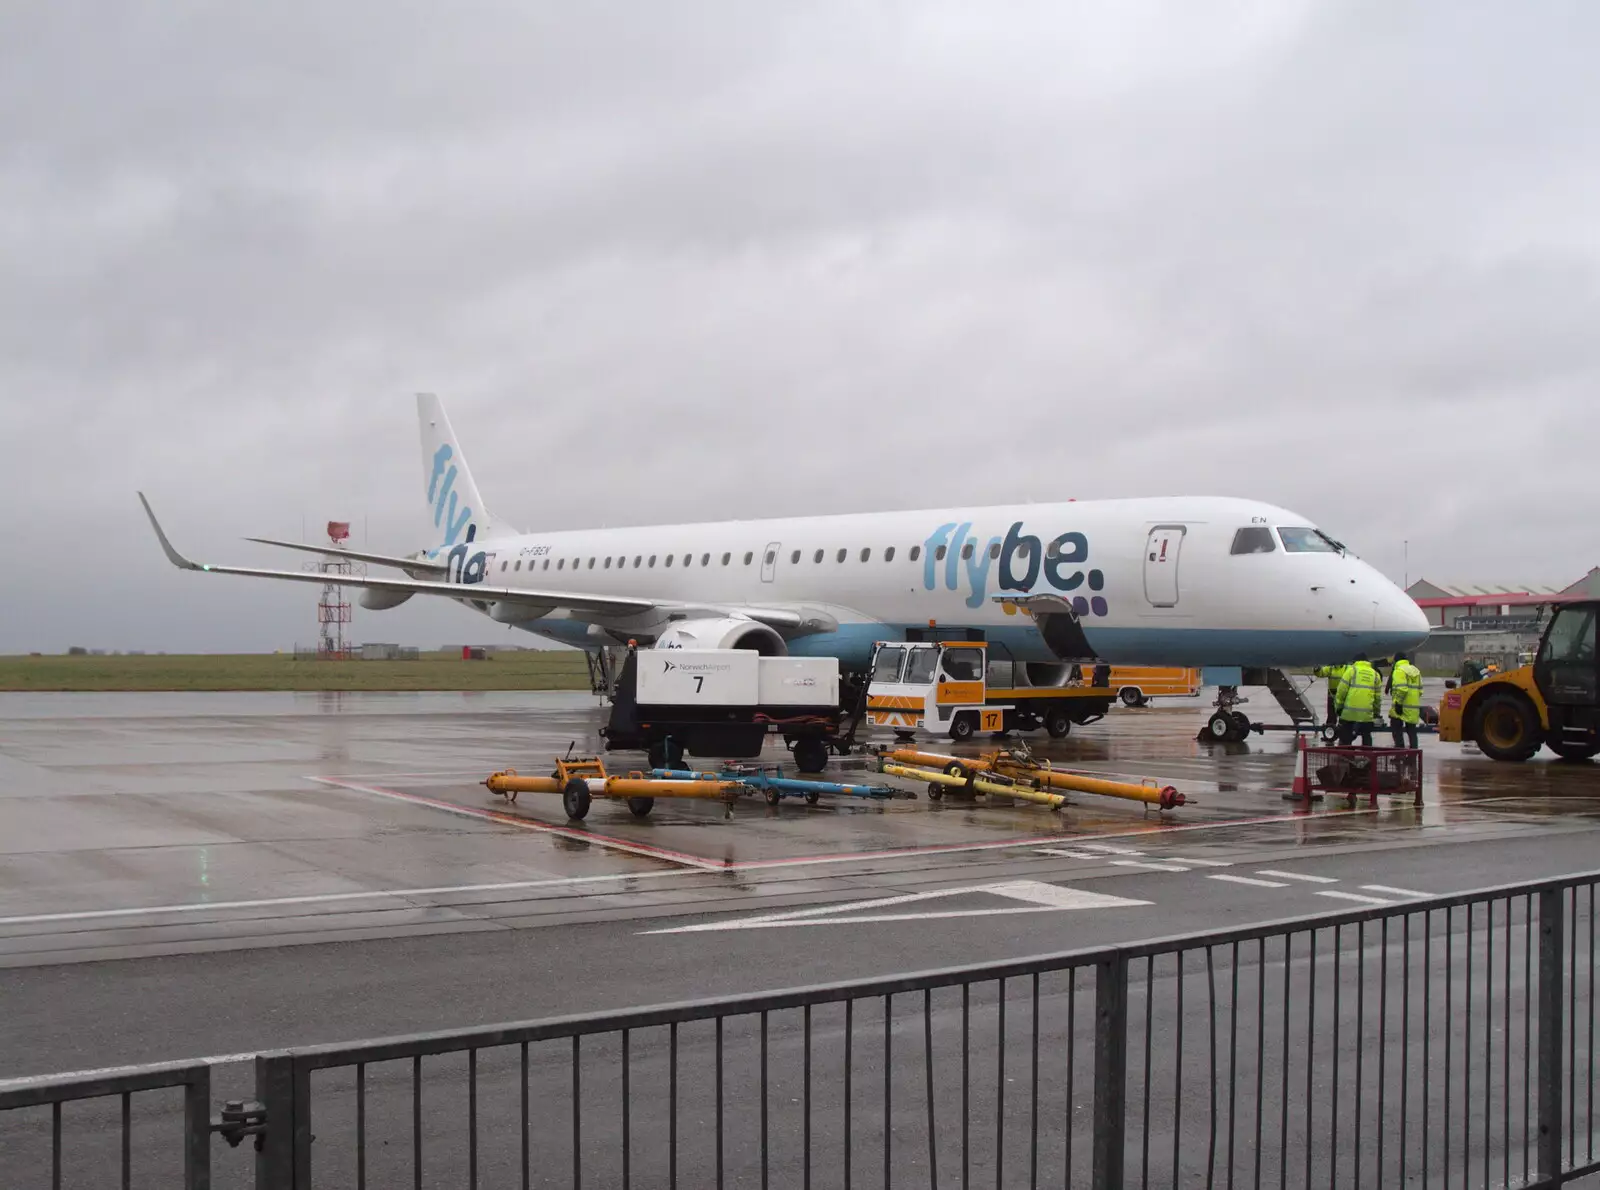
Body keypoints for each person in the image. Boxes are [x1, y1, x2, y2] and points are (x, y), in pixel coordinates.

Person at [1334, 653, 1382, 747]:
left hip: (1349, 713)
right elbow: (1377, 698)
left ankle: (1346, 758)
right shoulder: (1375, 674)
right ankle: (1368, 758)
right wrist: (1376, 713)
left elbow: (1341, 691)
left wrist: (1339, 707)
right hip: (1366, 715)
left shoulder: (1351, 671)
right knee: (1366, 737)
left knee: (1345, 739)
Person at [1389, 651, 1423, 748]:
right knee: (1412, 731)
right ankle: (1413, 752)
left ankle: (1399, 753)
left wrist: (1398, 703)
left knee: (1396, 729)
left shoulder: (1399, 670)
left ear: (1396, 660)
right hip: (1413, 707)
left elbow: (1401, 689)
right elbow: (1420, 690)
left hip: (1401, 706)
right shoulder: (1416, 670)